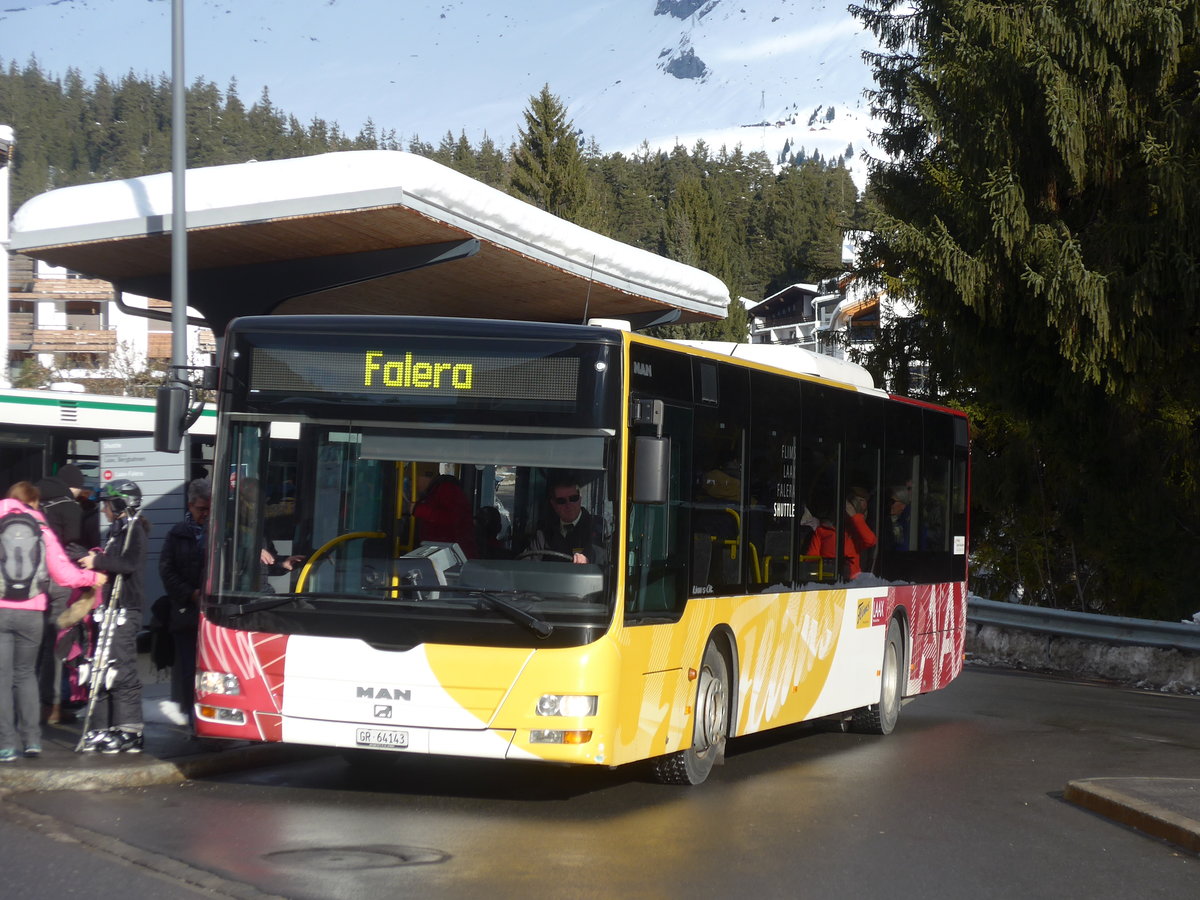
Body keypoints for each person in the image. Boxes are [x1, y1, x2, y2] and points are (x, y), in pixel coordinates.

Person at [0, 481, 105, 763]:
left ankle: (6, 745)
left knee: (3, 677)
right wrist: (93, 578)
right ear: (34, 503)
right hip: (32, 612)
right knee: (25, 675)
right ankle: (32, 741)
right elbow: (64, 575)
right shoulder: (41, 529)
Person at [78, 480, 151, 754]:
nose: (105, 510)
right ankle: (103, 726)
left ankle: (130, 730)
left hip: (126, 609)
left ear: (120, 504)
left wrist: (96, 562)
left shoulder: (135, 531)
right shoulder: (116, 531)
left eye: (108, 504)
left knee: (121, 669)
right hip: (108, 608)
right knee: (101, 668)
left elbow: (128, 565)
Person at [33, 464, 90, 724]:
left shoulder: (34, 502)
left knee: (31, 645)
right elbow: (74, 547)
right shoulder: (69, 507)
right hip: (58, 581)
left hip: (30, 584)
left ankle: (28, 701)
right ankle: (52, 706)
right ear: (74, 485)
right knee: (56, 644)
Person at [159, 477, 211, 724]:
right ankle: (192, 718)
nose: (206, 514)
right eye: (201, 509)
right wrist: (191, 593)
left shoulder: (223, 531)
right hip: (186, 612)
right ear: (190, 506)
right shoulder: (177, 534)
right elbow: (167, 571)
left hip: (214, 613)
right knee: (189, 668)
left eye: (210, 508)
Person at [528, 476, 605, 564]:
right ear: (553, 504)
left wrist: (588, 561)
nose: (569, 505)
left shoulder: (596, 527)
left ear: (580, 498)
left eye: (573, 498)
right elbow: (529, 563)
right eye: (561, 501)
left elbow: (605, 560)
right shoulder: (544, 531)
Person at [806, 486, 877, 580]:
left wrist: (855, 517)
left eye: (849, 511)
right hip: (827, 579)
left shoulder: (857, 531)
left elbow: (871, 540)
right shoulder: (822, 531)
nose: (845, 513)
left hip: (852, 581)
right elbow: (810, 558)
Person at [410, 466, 478, 557]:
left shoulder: (448, 488)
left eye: (412, 479)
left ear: (426, 476)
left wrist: (419, 510)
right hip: (445, 552)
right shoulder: (434, 491)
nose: (412, 484)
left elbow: (453, 518)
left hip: (454, 555)